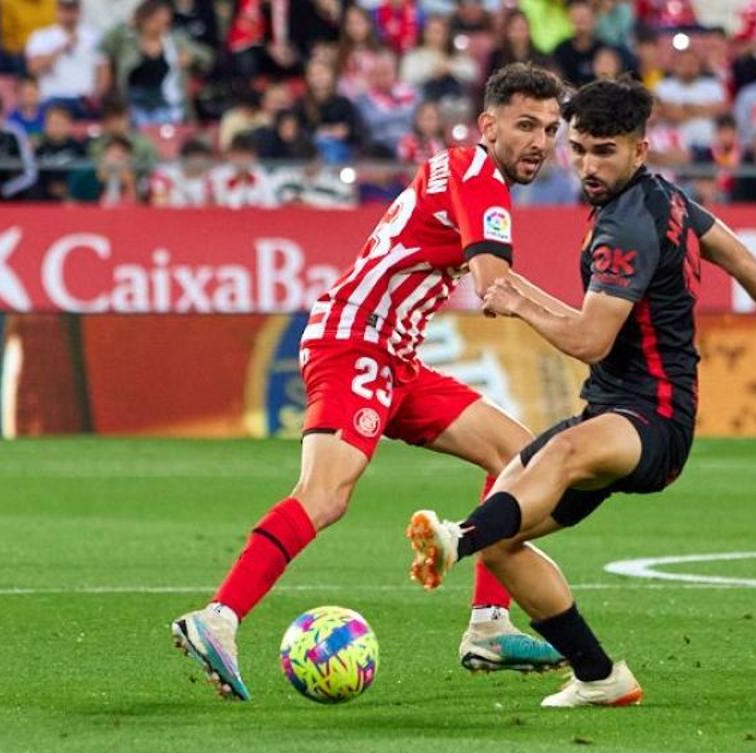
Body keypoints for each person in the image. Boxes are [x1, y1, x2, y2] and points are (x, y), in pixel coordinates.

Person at [403, 77, 756, 707]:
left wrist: (520, 304)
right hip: (613, 412)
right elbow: (739, 257)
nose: (585, 164)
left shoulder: (626, 228)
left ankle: (454, 539)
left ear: (639, 150)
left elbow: (589, 341)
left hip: (654, 418)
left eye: (602, 151)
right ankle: (598, 675)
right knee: (506, 543)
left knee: (556, 458)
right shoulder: (665, 199)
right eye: (577, 148)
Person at [171, 64, 571, 702]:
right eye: (526, 126)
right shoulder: (480, 180)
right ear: (490, 125)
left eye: (550, 129)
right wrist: (584, 328)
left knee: (518, 457)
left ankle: (490, 625)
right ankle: (218, 618)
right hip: (355, 343)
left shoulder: (463, 166)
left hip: (396, 356)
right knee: (325, 494)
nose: (540, 142)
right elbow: (495, 288)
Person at [24, 0, 106, 116]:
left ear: (79, 11)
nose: (69, 15)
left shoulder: (94, 37)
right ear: (57, 10)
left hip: (84, 98)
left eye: (72, 9)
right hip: (52, 97)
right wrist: (61, 50)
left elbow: (104, 73)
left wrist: (95, 97)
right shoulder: (41, 37)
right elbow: (32, 68)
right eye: (65, 9)